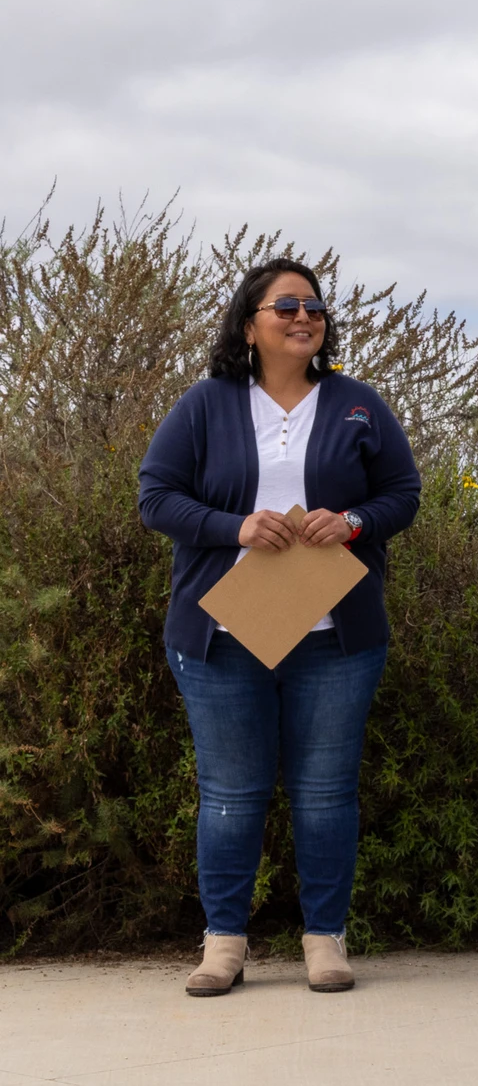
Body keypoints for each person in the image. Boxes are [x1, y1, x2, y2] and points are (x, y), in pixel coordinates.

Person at [138, 258, 420, 997]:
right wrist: (234, 527)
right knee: (231, 793)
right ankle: (224, 943)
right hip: (220, 638)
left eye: (316, 307)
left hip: (337, 638)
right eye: (287, 304)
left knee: (326, 793)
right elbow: (155, 496)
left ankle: (325, 939)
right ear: (250, 322)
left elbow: (403, 494)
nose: (305, 316)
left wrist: (354, 520)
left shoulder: (358, 403)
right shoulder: (206, 403)